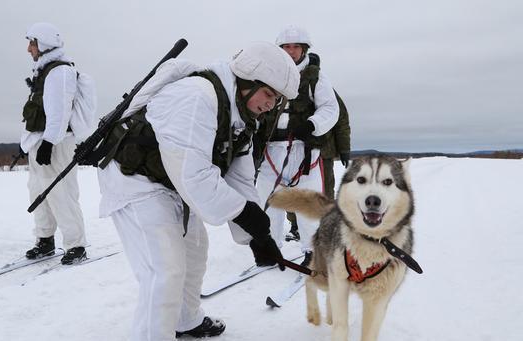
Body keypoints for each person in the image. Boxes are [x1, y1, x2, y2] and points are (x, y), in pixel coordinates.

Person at [95, 42, 299, 340]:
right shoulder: (196, 96)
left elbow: (239, 179)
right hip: (135, 180)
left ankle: (186, 320)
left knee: (194, 250)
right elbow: (195, 175)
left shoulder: (241, 117)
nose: (271, 104)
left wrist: (258, 237)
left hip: (170, 182)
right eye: (269, 94)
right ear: (247, 81)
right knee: (164, 270)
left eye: (277, 99)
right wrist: (244, 214)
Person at [253, 26, 339, 267]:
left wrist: (312, 125)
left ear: (304, 50)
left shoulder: (316, 77)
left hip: (304, 151)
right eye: (286, 47)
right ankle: (270, 247)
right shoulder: (267, 74)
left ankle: (313, 252)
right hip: (271, 150)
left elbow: (331, 109)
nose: (291, 52)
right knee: (268, 199)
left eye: (295, 47)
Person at [20, 22, 89, 265]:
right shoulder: (44, 70)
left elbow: (59, 112)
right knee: (37, 190)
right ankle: (45, 239)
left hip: (57, 142)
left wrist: (49, 142)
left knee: (62, 192)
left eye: (32, 42)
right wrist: (26, 143)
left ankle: (76, 245)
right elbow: (37, 111)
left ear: (44, 43)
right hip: (40, 141)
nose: (29, 48)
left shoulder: (59, 72)